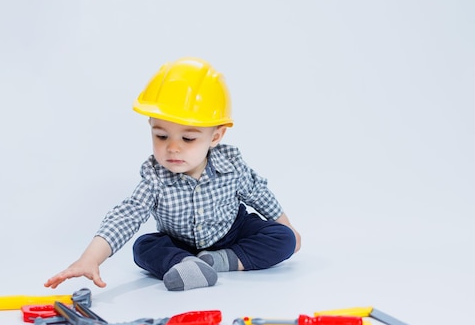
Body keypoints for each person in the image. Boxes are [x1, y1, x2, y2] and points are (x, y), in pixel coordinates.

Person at [44, 57, 301, 292]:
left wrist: (286, 224)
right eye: (161, 135)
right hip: (180, 243)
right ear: (151, 129)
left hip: (232, 234)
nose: (173, 147)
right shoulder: (155, 178)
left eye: (188, 138)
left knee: (284, 238)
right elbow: (127, 215)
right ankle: (187, 264)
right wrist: (90, 259)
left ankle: (221, 261)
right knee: (144, 247)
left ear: (216, 136)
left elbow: (258, 192)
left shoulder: (230, 164)